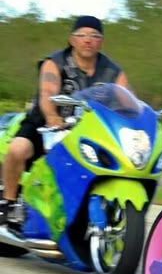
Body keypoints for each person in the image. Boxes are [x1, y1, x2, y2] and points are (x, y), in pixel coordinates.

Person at [0, 15, 130, 234]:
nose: (88, 40)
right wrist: (52, 117)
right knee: (18, 148)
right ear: (72, 39)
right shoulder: (55, 62)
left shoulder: (113, 71)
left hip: (88, 131)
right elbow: (47, 94)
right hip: (45, 126)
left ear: (101, 41)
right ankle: (8, 204)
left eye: (94, 36)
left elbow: (127, 99)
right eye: (82, 35)